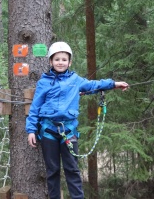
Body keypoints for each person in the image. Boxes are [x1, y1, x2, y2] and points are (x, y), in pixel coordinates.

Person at [25, 41, 129, 199]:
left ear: (70, 62)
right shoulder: (44, 82)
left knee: (72, 169)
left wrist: (113, 84)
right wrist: (31, 130)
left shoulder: (75, 80)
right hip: (48, 131)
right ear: (50, 61)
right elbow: (35, 107)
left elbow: (93, 84)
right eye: (57, 59)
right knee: (52, 171)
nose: (60, 62)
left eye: (64, 59)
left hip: (68, 131)